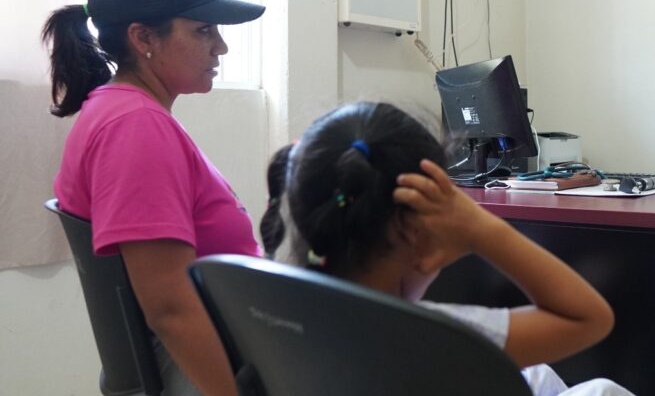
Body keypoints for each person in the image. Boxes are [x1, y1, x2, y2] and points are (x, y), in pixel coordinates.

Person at [262, 102, 634, 396]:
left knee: (538, 374)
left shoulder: (271, 307)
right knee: (603, 391)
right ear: (415, 232)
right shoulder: (439, 338)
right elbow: (589, 318)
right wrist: (481, 229)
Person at [43, 0, 266, 396]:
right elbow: (170, 309)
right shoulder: (134, 127)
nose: (221, 46)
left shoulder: (123, 112)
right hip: (213, 366)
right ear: (143, 37)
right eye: (203, 30)